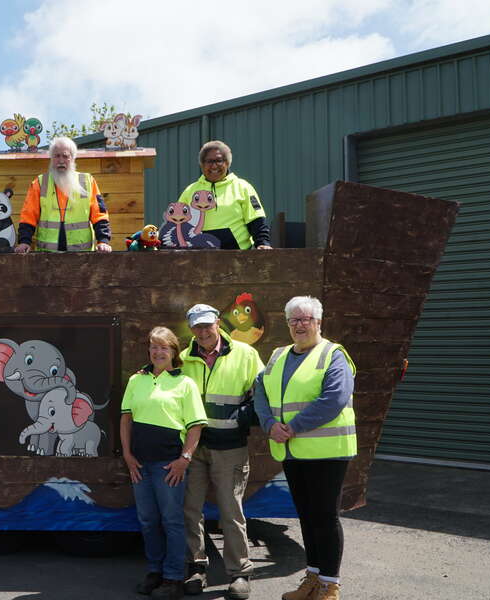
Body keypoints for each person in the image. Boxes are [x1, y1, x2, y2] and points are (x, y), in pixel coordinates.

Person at [253, 296, 356, 600]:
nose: (299, 325)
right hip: (292, 452)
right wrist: (269, 423)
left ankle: (329, 585)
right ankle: (312, 578)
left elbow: (335, 398)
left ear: (318, 322)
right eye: (293, 320)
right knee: (307, 517)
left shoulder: (333, 354)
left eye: (306, 319)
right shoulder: (278, 355)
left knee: (325, 517)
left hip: (326, 453)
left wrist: (292, 427)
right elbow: (260, 390)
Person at [178, 304, 264, 599]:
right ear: (191, 330)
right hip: (193, 448)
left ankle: (239, 573)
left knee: (231, 511)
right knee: (190, 510)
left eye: (208, 325)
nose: (203, 332)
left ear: (218, 323)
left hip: (230, 448)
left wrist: (243, 417)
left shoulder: (246, 354)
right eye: (197, 327)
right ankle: (196, 567)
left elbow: (263, 395)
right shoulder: (183, 358)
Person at [121, 326, 208, 600]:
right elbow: (126, 419)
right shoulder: (137, 380)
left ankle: (173, 578)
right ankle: (155, 571)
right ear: (149, 350)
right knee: (148, 520)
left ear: (174, 352)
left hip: (169, 466)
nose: (158, 352)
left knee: (172, 521)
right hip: (140, 465)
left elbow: (195, 427)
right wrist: (127, 455)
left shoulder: (185, 383)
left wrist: (184, 459)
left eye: (164, 347)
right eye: (154, 346)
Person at [14, 136, 112, 253]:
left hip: (82, 255)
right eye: (57, 156)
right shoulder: (39, 183)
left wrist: (103, 241)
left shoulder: (87, 181)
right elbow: (28, 215)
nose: (61, 160)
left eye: (65, 156)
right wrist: (24, 241)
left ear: (72, 158)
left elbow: (100, 214)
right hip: (46, 255)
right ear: (51, 158)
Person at [176, 140, 272, 250]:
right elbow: (177, 222)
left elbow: (256, 219)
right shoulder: (190, 191)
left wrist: (263, 243)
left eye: (219, 161)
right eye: (209, 161)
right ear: (202, 165)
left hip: (238, 256)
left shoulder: (243, 187)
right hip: (198, 257)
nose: (214, 166)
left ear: (227, 163)